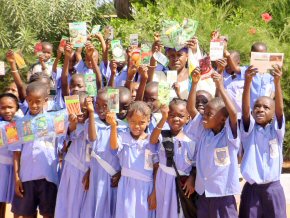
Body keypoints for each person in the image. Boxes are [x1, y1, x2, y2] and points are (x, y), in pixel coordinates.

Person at [185, 68, 240, 218]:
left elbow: (233, 114)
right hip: (204, 194)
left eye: (209, 114)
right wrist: (194, 84)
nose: (204, 116)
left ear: (222, 119)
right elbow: (190, 109)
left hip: (223, 196)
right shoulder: (203, 131)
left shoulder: (229, 136)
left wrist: (220, 86)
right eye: (204, 113)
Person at [239, 65, 286, 218]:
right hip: (252, 190)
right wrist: (248, 82)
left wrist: (277, 82)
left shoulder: (276, 131)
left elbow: (280, 111)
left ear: (272, 113)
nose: (260, 109)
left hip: (273, 189)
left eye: (266, 107)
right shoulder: (248, 131)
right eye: (257, 107)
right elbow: (245, 110)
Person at [10, 82, 59, 218]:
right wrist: (17, 178)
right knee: (27, 214)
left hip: (48, 176)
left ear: (46, 100)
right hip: (27, 177)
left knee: (49, 213)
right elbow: (16, 152)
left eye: (38, 101)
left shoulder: (54, 120)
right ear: (26, 99)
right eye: (30, 101)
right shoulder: (18, 123)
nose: (34, 105)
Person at [80, 88, 128, 218]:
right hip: (96, 173)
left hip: (113, 175)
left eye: (105, 105)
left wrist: (121, 173)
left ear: (113, 105)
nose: (100, 109)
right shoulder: (91, 123)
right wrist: (90, 113)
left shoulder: (123, 127)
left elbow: (121, 151)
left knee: (111, 206)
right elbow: (92, 140)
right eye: (97, 105)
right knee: (96, 204)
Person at [108, 101, 158, 218]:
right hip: (126, 185)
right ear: (127, 120)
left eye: (141, 123)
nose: (136, 126)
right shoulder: (123, 136)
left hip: (146, 188)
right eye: (133, 122)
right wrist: (113, 126)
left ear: (148, 121)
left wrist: (155, 193)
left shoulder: (152, 141)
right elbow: (114, 147)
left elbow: (156, 168)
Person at [149, 98, 195, 218]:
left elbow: (196, 163)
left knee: (179, 212)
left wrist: (192, 178)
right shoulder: (163, 134)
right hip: (163, 181)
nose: (176, 119)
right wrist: (163, 118)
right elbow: (152, 140)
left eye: (181, 116)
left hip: (181, 183)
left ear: (188, 117)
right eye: (171, 115)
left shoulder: (191, 139)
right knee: (163, 211)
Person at [54, 93, 94, 218]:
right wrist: (72, 124)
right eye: (78, 109)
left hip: (87, 170)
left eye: (84, 110)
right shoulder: (67, 121)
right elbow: (68, 137)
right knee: (70, 201)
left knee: (84, 204)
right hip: (72, 168)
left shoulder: (93, 124)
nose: (81, 113)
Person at [0, 93, 19, 218]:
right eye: (3, 107)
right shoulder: (2, 125)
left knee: (17, 203)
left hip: (17, 168)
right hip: (1, 168)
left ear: (17, 107)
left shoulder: (21, 123)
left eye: (10, 107)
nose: (7, 110)